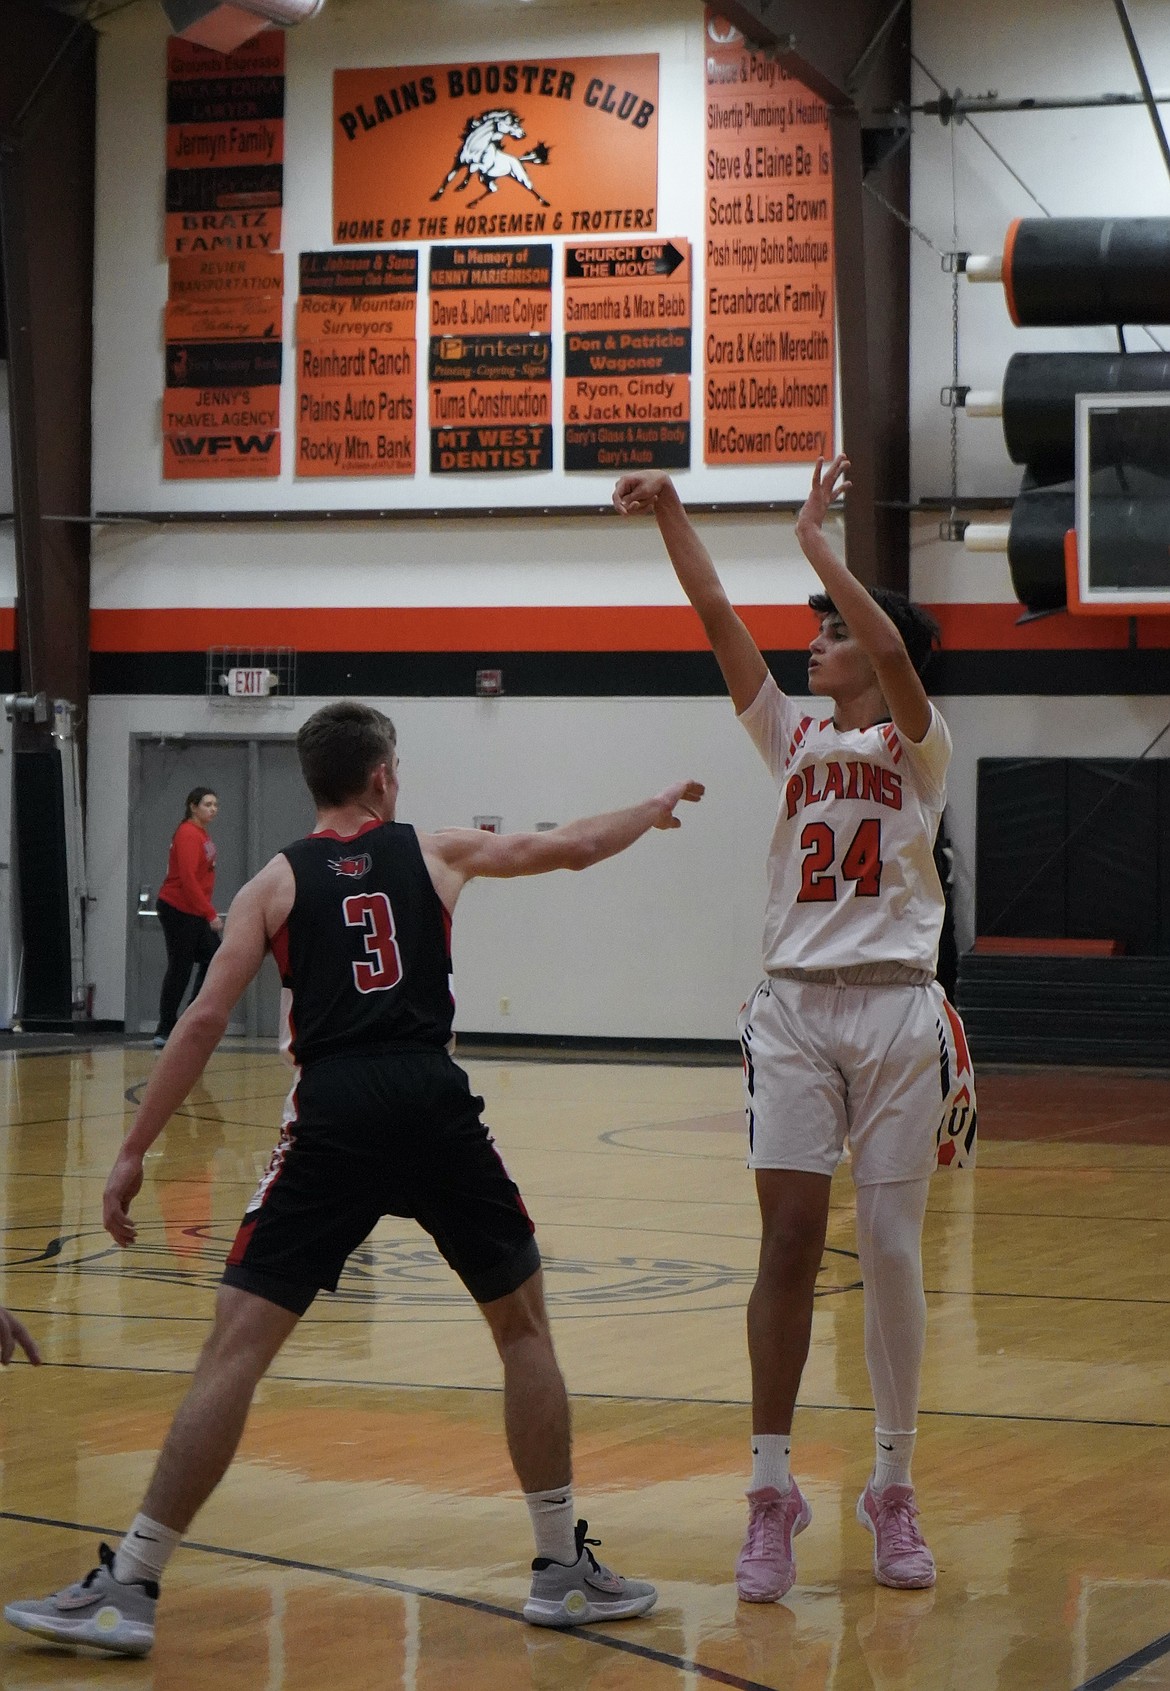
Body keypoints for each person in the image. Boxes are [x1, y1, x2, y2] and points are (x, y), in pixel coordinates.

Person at [5, 701, 703, 1658]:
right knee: (523, 1327)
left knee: (233, 1352)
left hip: (334, 1108)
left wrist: (132, 1148)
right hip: (430, 1095)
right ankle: (560, 1569)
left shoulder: (273, 882)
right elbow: (573, 845)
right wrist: (652, 802)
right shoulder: (438, 852)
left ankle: (130, 1582)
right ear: (381, 777)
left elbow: (204, 1018)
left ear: (314, 782)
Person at [613, 457, 976, 1601]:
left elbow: (901, 656)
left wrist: (821, 542)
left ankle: (892, 1484)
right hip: (793, 1008)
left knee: (892, 1251)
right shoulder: (790, 738)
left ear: (869, 648)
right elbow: (716, 612)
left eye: (827, 634)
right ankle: (771, 1490)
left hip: (896, 1004)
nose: (810, 646)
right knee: (785, 1243)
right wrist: (672, 511)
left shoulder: (921, 746)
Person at [154, 787, 223, 1048]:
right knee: (180, 967)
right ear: (193, 807)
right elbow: (188, 878)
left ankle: (190, 1018)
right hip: (179, 908)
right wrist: (210, 914)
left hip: (193, 909)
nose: (213, 809)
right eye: (207, 804)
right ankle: (165, 1028)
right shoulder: (187, 834)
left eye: (215, 805)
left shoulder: (202, 834)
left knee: (214, 956)